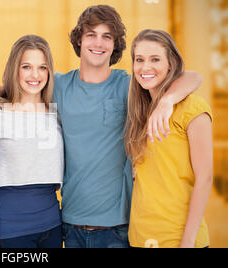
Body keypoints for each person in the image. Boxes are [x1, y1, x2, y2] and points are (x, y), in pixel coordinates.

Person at [54, 5, 203, 248]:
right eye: (91, 34)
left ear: (115, 45)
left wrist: (167, 101)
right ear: (79, 40)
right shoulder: (59, 86)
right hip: (70, 225)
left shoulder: (129, 86)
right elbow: (17, 86)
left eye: (107, 37)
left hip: (118, 228)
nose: (99, 43)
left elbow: (194, 77)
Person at [125, 29, 213, 248]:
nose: (145, 67)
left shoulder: (193, 108)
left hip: (178, 239)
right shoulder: (140, 112)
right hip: (139, 238)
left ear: (170, 64)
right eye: (139, 60)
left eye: (155, 59)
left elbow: (205, 179)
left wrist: (188, 242)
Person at [0, 35, 63, 248]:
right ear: (14, 69)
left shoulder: (56, 112)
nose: (35, 75)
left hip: (52, 224)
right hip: (11, 227)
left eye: (42, 67)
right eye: (26, 66)